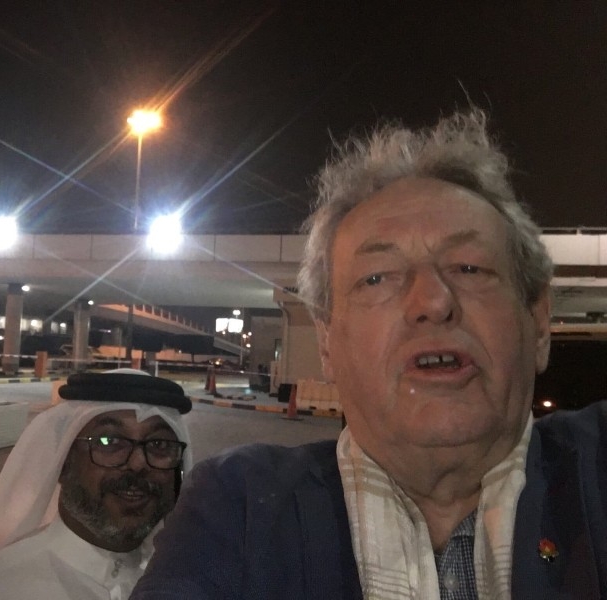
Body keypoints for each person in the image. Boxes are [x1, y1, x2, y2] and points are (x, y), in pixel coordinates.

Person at [130, 109, 607, 599]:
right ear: (327, 344)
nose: (432, 301)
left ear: (539, 322)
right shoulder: (237, 507)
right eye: (376, 278)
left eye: (469, 267)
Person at [0, 369, 192, 600]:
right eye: (109, 441)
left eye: (159, 444)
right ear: (63, 461)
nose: (138, 464)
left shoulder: (197, 582)